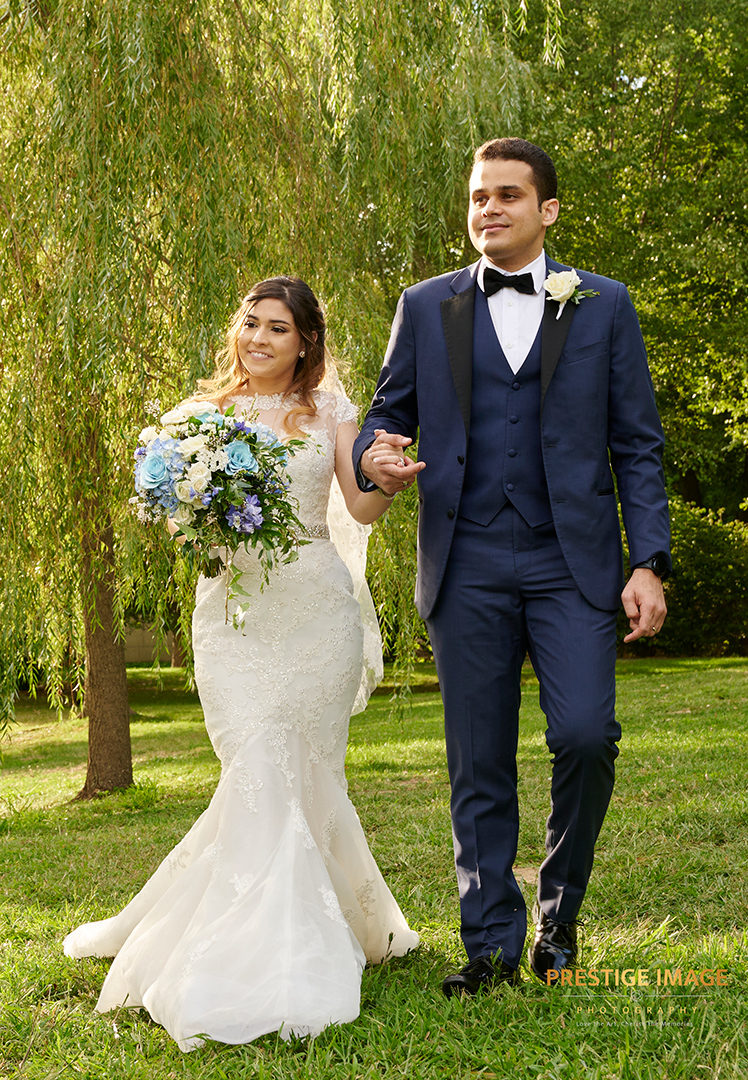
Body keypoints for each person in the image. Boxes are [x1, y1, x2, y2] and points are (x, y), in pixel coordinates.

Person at [64, 276, 418, 1049]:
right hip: (234, 615)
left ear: (305, 342)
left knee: (307, 771)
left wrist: (386, 480)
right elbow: (172, 519)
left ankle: (312, 932)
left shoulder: (332, 410)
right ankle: (251, 941)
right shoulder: (197, 418)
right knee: (258, 766)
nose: (259, 338)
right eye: (251, 323)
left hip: (316, 609)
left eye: (278, 328)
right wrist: (192, 505)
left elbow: (359, 506)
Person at [353, 138, 670, 994]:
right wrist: (374, 456)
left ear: (547, 210)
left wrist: (648, 561)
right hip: (467, 559)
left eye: (507, 195)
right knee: (478, 760)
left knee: (586, 736)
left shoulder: (604, 303)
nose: (488, 208)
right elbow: (383, 416)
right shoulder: (426, 305)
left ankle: (557, 917)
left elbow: (638, 444)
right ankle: (489, 947)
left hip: (575, 562)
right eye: (477, 196)